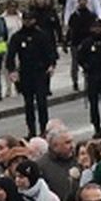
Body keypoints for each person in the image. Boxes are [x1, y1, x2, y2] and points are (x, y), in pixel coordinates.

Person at [6, 10, 59, 139]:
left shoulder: (42, 35)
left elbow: (50, 52)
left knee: (42, 102)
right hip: (25, 73)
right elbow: (11, 55)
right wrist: (12, 70)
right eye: (25, 20)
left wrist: (51, 65)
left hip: (40, 72)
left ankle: (43, 129)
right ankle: (31, 130)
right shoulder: (18, 37)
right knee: (28, 103)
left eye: (30, 19)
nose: (28, 22)